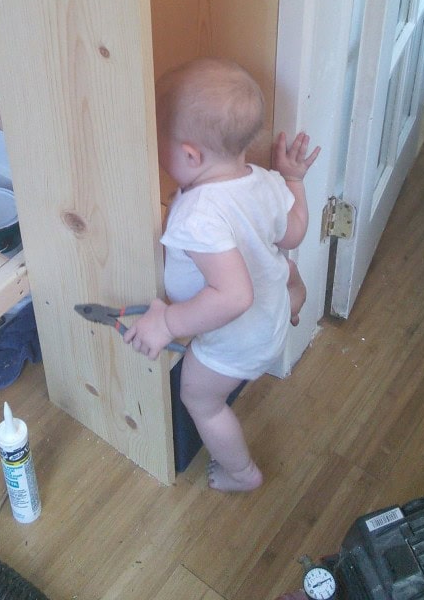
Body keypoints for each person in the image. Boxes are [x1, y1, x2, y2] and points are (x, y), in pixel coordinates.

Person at [123, 57, 319, 492]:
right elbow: (294, 233)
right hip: (270, 315)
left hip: (237, 340)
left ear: (191, 154)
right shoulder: (267, 181)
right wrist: (295, 180)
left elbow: (232, 298)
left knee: (200, 398)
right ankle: (294, 294)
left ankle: (240, 472)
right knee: (279, 262)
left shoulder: (197, 216)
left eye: (161, 147)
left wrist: (167, 322)